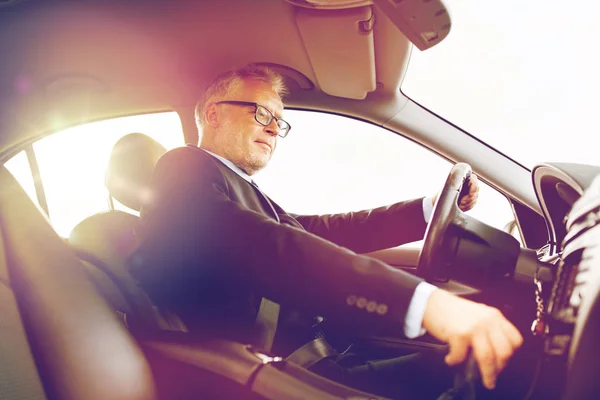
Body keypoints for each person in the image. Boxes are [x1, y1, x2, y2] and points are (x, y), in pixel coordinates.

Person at [133, 64, 523, 397]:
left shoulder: (239, 187)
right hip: (287, 374)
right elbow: (263, 244)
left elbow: (321, 231)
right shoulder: (184, 167)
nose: (273, 130)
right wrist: (425, 303)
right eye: (261, 114)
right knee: (493, 372)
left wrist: (425, 209)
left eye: (279, 121)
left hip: (321, 352)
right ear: (213, 114)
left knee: (481, 359)